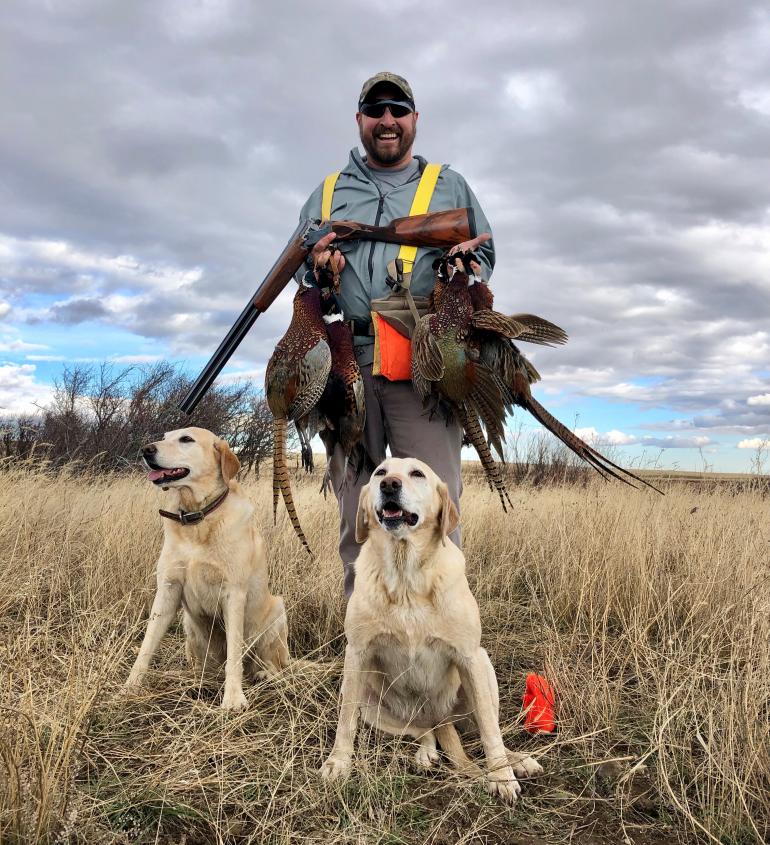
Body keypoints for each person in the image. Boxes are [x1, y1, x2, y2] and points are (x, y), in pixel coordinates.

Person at [300, 72, 495, 596]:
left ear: (414, 119)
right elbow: (301, 273)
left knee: (434, 507)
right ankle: (366, 641)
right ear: (360, 119)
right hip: (349, 363)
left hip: (422, 365)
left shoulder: (447, 185)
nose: (387, 121)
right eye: (375, 109)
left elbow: (486, 254)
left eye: (398, 110)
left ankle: (443, 635)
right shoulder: (327, 193)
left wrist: (465, 264)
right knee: (357, 513)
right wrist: (319, 268)